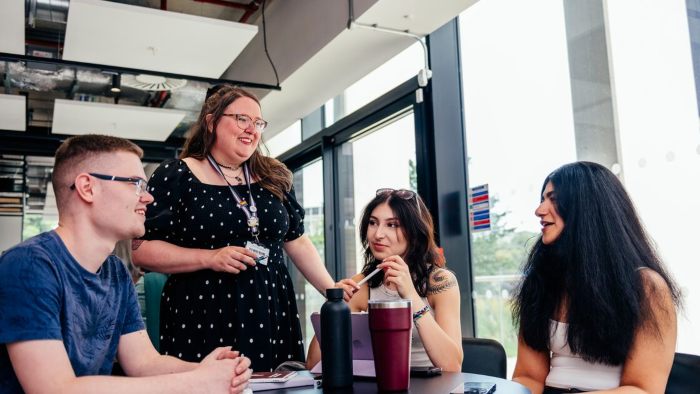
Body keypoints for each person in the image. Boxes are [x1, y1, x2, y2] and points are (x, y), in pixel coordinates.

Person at [0, 135, 252, 394]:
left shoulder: (115, 272)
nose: (148, 198)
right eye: (136, 184)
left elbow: (144, 363)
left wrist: (204, 370)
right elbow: (55, 389)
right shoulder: (28, 265)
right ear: (87, 188)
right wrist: (198, 382)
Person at [132, 85, 338, 372]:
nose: (252, 129)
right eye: (242, 118)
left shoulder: (271, 175)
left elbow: (297, 241)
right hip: (203, 311)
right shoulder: (177, 175)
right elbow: (141, 251)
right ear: (211, 121)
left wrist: (333, 291)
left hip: (271, 308)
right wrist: (210, 257)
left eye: (258, 122)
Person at [512, 161, 681, 393]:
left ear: (587, 207)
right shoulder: (541, 282)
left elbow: (643, 389)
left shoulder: (648, 288)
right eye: (542, 199)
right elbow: (528, 376)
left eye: (553, 198)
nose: (539, 210)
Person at [307, 188, 464, 372]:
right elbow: (314, 363)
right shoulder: (363, 284)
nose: (378, 234)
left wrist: (411, 295)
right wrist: (333, 306)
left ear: (414, 231)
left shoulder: (440, 282)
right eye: (373, 223)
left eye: (392, 225)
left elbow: (453, 366)